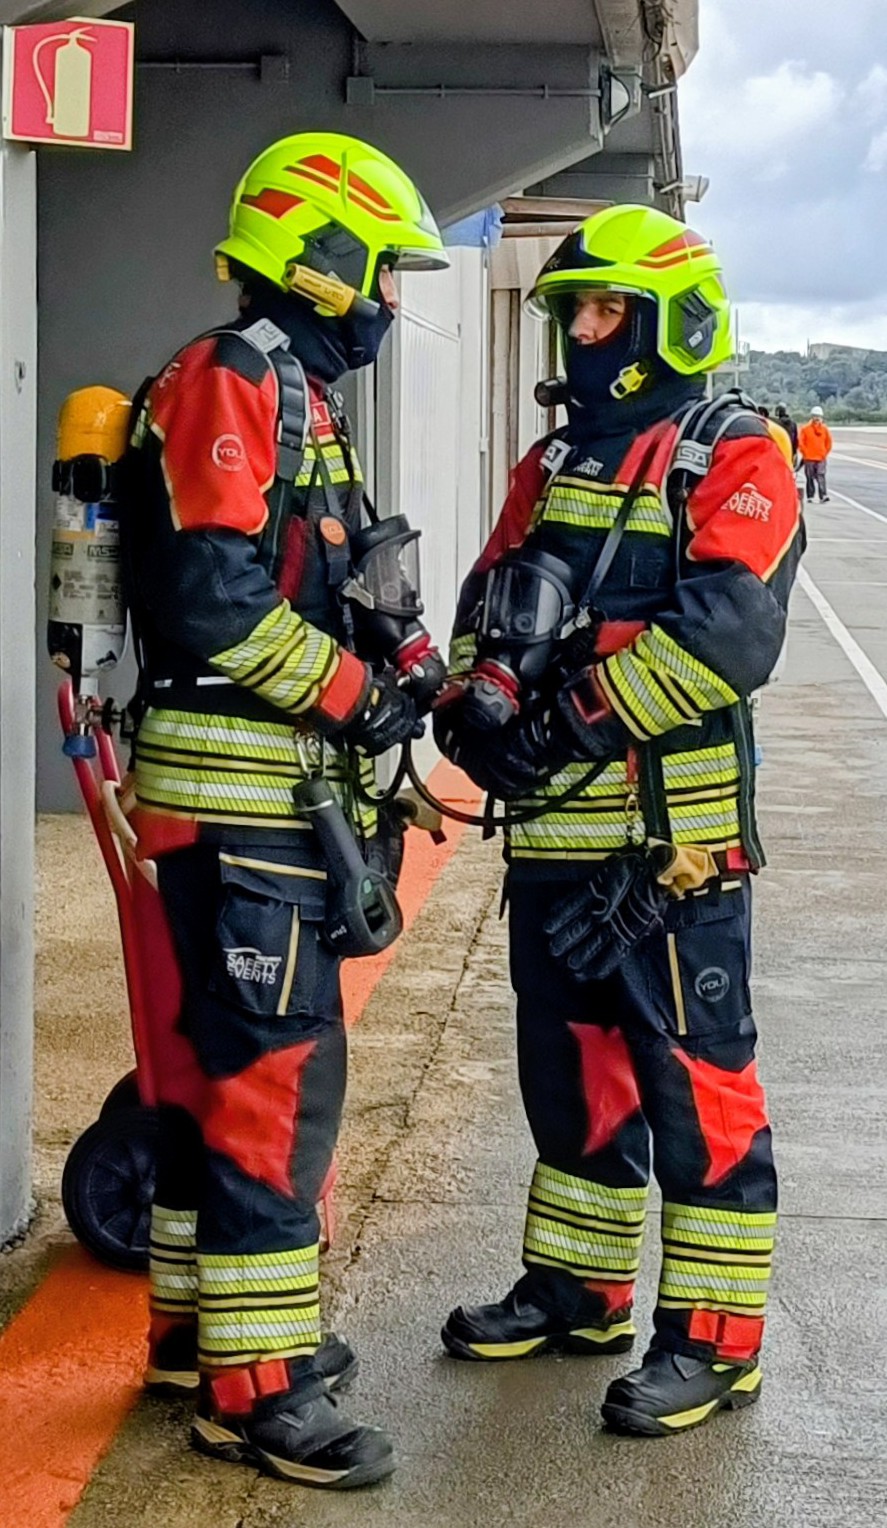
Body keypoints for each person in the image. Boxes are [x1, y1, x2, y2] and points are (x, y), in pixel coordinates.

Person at [434, 206, 803, 1436]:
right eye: (571, 314)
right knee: (571, 1079)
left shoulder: (727, 453)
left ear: (665, 329)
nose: (580, 335)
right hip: (551, 845)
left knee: (697, 1089)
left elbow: (726, 637)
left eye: (601, 314)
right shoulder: (552, 464)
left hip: (668, 856)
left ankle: (710, 1338)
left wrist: (570, 721)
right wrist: (470, 702)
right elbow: (494, 594)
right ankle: (578, 1288)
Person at [123, 132, 447, 1490]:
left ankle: (203, 1336)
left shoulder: (292, 395)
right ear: (323, 262)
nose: (383, 298)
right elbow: (212, 597)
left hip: (257, 798)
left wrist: (398, 663)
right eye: (377, 268)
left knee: (212, 1076)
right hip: (241, 799)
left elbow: (312, 578)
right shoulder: (234, 378)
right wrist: (353, 695)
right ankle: (255, 1392)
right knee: (274, 1081)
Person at [798, 405, 832, 502]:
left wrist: (824, 453)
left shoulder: (824, 429)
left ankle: (823, 495)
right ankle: (810, 496)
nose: (817, 418)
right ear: (812, 417)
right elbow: (801, 442)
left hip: (821, 458)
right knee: (810, 477)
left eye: (819, 416)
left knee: (821, 476)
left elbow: (828, 443)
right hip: (809, 458)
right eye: (815, 416)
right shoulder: (805, 429)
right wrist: (805, 452)